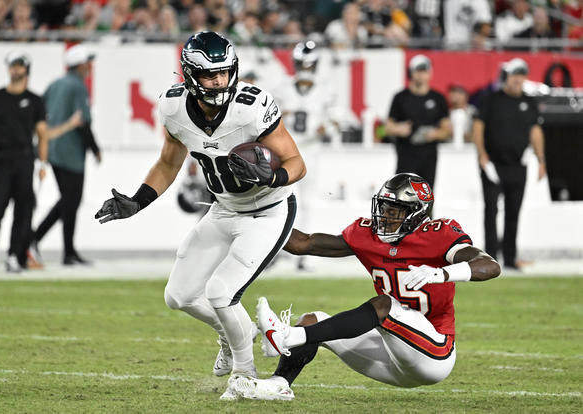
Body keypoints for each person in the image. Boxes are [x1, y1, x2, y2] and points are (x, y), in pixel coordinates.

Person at [94, 32, 306, 400]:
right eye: (210, 76)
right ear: (190, 75)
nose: (219, 82)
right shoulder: (174, 108)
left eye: (224, 73)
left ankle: (246, 376)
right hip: (224, 209)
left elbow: (296, 163)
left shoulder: (252, 107)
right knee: (179, 295)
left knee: (221, 292)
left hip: (269, 210)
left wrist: (272, 176)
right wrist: (138, 201)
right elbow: (168, 162)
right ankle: (232, 332)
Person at [225, 173, 500, 400]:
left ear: (417, 214)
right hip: (390, 353)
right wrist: (253, 220)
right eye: (383, 207)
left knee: (385, 305)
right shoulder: (368, 234)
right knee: (312, 320)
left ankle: (288, 338)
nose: (385, 216)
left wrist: (442, 273)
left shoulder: (438, 235)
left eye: (395, 211)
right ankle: (278, 384)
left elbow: (489, 266)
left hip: (433, 355)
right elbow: (303, 243)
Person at [0, 52, 81, 274]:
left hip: (24, 160)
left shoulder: (35, 100)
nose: (15, 70)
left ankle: (16, 257)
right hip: (0, 159)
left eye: (19, 66)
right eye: (12, 65)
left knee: (24, 211)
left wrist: (42, 164)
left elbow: (42, 134)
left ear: (26, 69)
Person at [29, 44, 101, 266]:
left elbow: (38, 109)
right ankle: (38, 240)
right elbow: (83, 121)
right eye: (87, 62)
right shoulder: (78, 86)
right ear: (80, 65)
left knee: (68, 200)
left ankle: (62, 249)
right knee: (71, 200)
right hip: (71, 153)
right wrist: (95, 148)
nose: (90, 66)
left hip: (52, 149)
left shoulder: (56, 83)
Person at [472, 58, 545, 270]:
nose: (518, 79)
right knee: (491, 211)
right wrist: (482, 155)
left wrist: (541, 160)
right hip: (493, 165)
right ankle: (491, 257)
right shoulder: (490, 99)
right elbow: (478, 126)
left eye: (522, 75)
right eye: (514, 75)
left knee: (514, 211)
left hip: (517, 165)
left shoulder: (529, 102)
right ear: (507, 76)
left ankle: (511, 258)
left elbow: (535, 131)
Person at [273, 40, 340, 271]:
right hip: (287, 148)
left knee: (308, 202)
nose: (306, 69)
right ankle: (276, 249)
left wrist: (326, 128)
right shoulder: (282, 88)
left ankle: (303, 253)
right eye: (303, 64)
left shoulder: (325, 89)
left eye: (308, 65)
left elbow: (335, 122)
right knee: (279, 199)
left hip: (310, 149)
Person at [384, 55, 451, 190]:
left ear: (430, 73)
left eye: (424, 70)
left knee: (425, 199)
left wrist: (433, 133)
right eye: (417, 71)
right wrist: (399, 129)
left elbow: (447, 130)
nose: (421, 75)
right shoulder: (400, 97)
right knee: (402, 198)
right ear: (411, 73)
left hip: (428, 157)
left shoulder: (438, 99)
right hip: (405, 156)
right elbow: (386, 127)